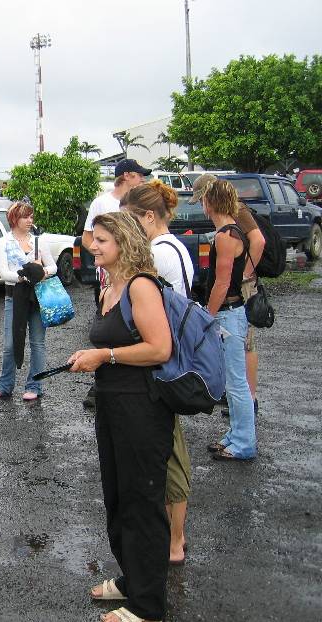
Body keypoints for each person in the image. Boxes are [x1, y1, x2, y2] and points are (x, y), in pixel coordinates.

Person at [68, 211, 173, 622]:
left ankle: (148, 605)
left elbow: (159, 348)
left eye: (102, 241)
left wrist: (105, 355)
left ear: (125, 243)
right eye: (93, 240)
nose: (92, 247)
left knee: (142, 501)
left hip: (142, 407)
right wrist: (89, 357)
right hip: (112, 404)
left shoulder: (141, 287)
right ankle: (132, 580)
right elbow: (112, 341)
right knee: (117, 496)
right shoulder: (109, 286)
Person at [121, 180, 193, 566]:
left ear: (149, 217)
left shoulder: (158, 254)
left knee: (170, 453)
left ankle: (175, 541)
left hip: (165, 364)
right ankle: (172, 536)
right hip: (175, 358)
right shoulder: (176, 246)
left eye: (133, 219)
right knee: (167, 450)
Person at [189, 174, 265, 417]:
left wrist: (243, 274)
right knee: (235, 373)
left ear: (210, 199)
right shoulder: (228, 229)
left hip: (233, 303)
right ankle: (240, 428)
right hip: (233, 303)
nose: (202, 207)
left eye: (202, 200)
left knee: (238, 373)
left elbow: (258, 242)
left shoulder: (227, 232)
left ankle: (243, 433)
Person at [81, 158, 151, 409]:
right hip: (111, 277)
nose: (142, 179)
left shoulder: (138, 202)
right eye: (139, 175)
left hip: (133, 271)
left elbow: (160, 348)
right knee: (110, 322)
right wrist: (102, 260)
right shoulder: (102, 202)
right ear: (127, 176)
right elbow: (87, 236)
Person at [201, 179, 257, 461]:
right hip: (235, 313)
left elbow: (221, 283)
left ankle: (244, 442)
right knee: (233, 381)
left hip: (229, 314)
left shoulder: (225, 236)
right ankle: (235, 434)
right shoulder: (236, 230)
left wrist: (206, 317)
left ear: (209, 203)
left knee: (236, 383)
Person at [0, 201, 56, 401]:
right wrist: (23, 276)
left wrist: (41, 271)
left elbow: (54, 267)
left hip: (37, 298)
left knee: (37, 343)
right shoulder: (5, 242)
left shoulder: (39, 241)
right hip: (14, 297)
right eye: (25, 217)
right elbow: (4, 273)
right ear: (14, 219)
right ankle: (5, 385)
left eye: (31, 217)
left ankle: (34, 386)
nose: (30, 220)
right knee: (10, 344)